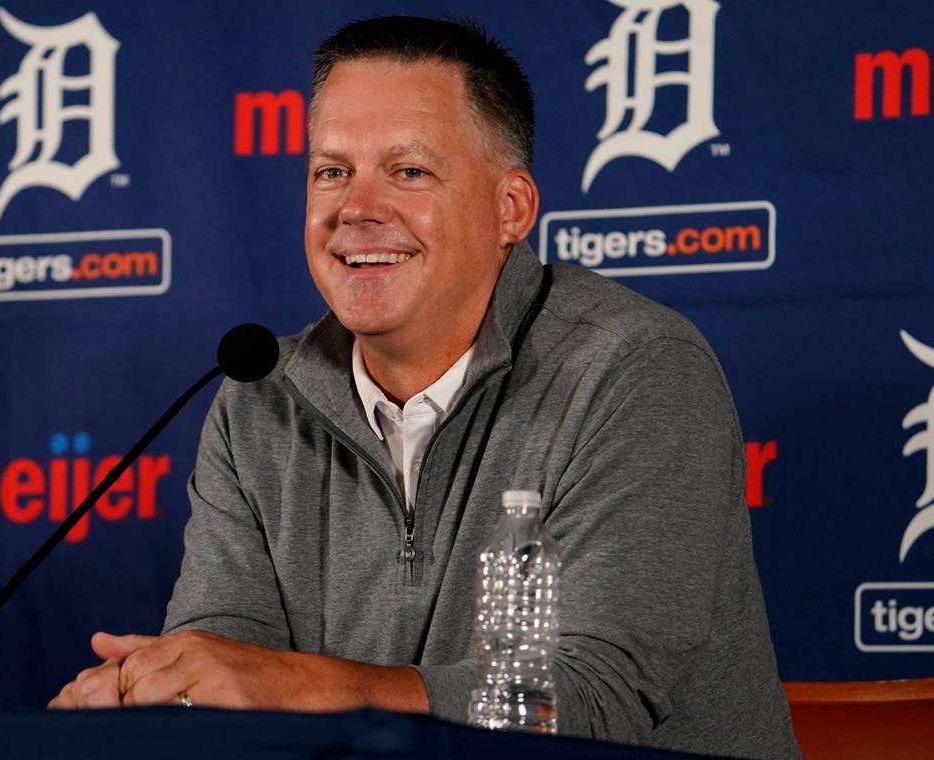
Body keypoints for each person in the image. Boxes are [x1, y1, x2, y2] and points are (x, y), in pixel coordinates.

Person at [50, 16, 801, 759]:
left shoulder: (634, 369)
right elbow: (226, 670)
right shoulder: (258, 400)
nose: (355, 208)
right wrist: (157, 695)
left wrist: (297, 686)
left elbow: (589, 705)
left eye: (408, 171)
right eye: (331, 171)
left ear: (511, 209)